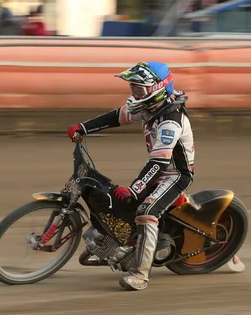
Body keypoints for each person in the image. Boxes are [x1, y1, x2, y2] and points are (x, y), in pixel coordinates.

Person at [67, 61, 195, 291]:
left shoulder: (170, 121)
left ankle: (140, 274)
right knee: (119, 201)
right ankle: (116, 243)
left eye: (139, 89)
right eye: (133, 88)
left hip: (175, 175)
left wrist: (135, 188)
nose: (134, 94)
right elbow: (116, 117)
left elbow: (160, 161)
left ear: (158, 89)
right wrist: (83, 127)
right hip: (158, 170)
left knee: (146, 211)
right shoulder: (150, 108)